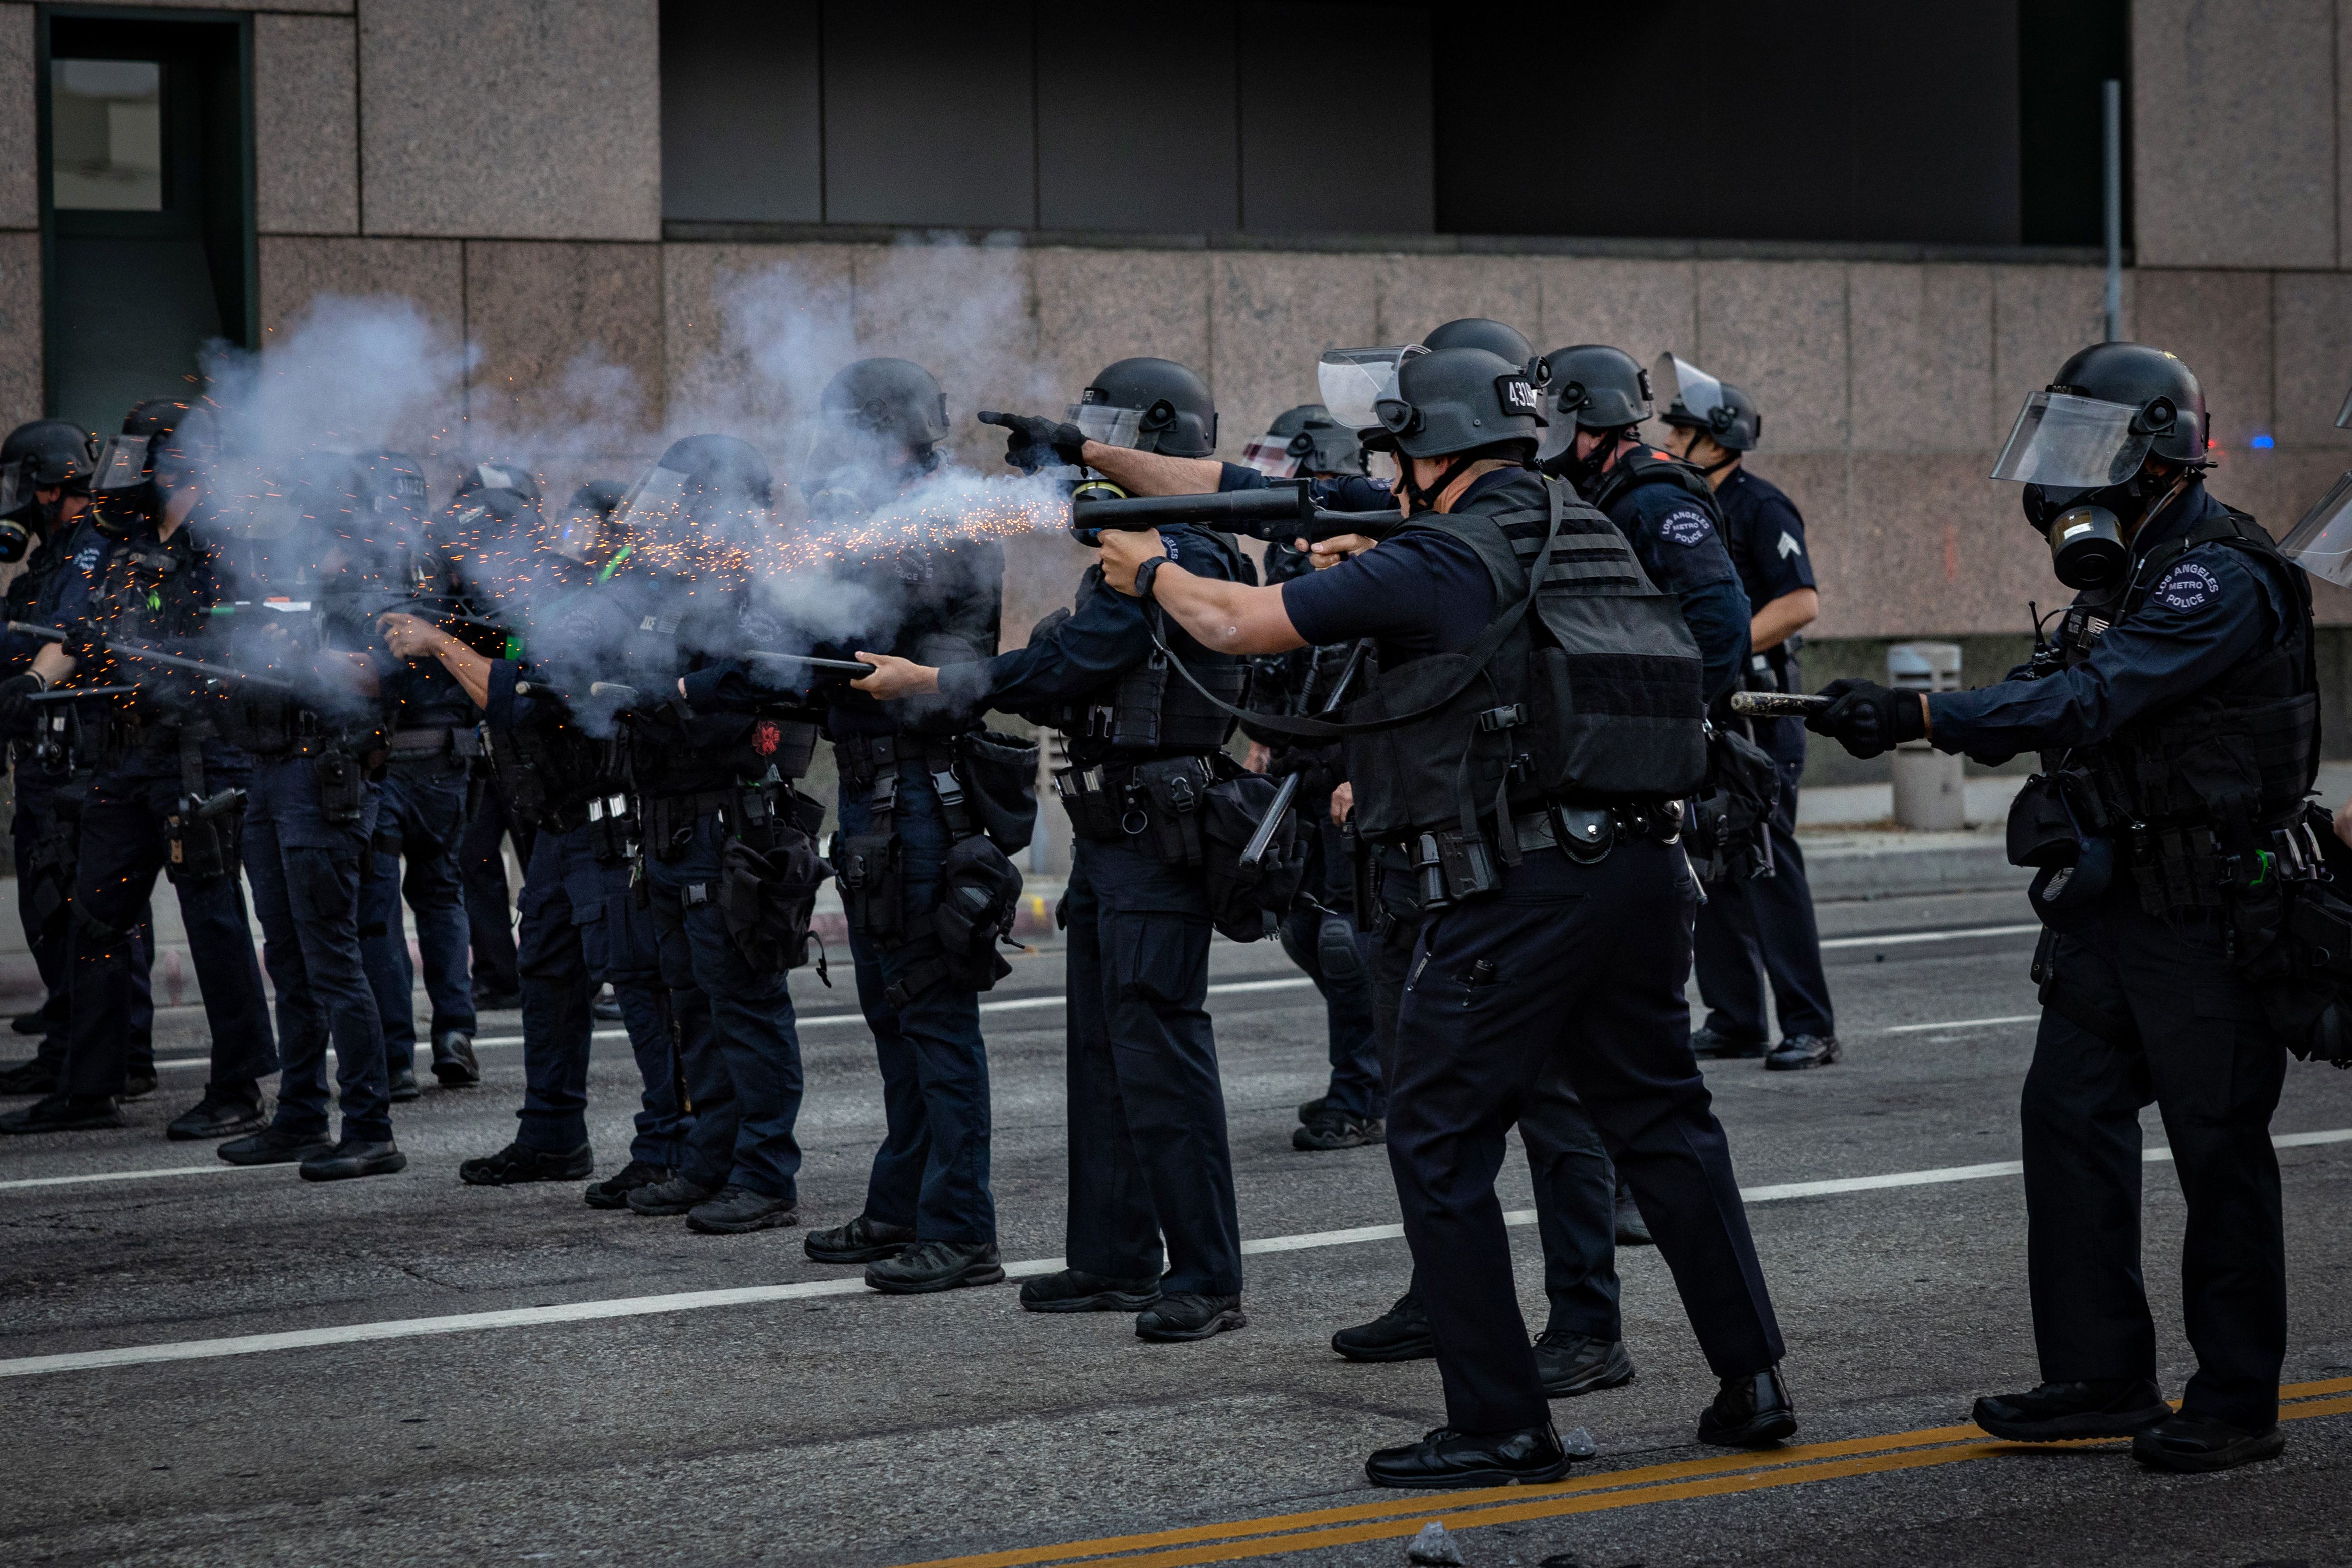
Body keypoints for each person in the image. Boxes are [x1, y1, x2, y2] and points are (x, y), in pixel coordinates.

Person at [1079, 345, 1796, 1485]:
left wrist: (1147, 573)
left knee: (1434, 1132)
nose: (1381, 470)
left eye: (1390, 451)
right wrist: (1105, 460)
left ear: (1426, 452)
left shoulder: (1442, 557)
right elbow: (1281, 499)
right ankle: (1753, 1380)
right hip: (1638, 870)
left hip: (1518, 887)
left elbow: (1231, 623)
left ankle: (1500, 1421)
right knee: (1664, 1125)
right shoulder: (1576, 522)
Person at [1809, 342, 2305, 1475]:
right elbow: (2058, 684)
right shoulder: (2129, 572)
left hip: (2206, 907)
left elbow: (2096, 693)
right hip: (2112, 898)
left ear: (2152, 456)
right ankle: (2098, 1373)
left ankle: (2235, 1397)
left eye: (2086, 450)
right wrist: (1907, 711)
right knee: (2066, 1114)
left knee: (2215, 1146)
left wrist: (1928, 717)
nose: (2061, 482)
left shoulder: (2211, 574)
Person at [853, 357, 1253, 1342]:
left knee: (1160, 1057)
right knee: (1105, 1057)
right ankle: (1115, 1257)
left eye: (1107, 430)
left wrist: (938, 682)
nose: (1089, 449)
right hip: (1113, 837)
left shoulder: (1179, 543)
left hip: (1160, 838)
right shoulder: (1135, 541)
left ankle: (1207, 1273)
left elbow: (1077, 657)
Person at [385, 472, 732, 1211]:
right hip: (558, 822)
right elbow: (513, 644)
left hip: (607, 816)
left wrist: (439, 641)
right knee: (545, 970)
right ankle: (551, 1132)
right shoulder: (554, 594)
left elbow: (515, 693)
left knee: (637, 979)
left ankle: (667, 1144)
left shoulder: (611, 595)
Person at [794, 357, 1024, 1294]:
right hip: (874, 794)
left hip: (921, 793)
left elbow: (892, 630)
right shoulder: (875, 514)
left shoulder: (937, 520)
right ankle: (901, 1202)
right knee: (892, 1013)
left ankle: (962, 1227)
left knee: (933, 1016)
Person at [0, 402, 279, 1143]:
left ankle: (239, 1087)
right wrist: (33, 683)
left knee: (213, 921)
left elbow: (255, 645)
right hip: (126, 759)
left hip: (199, 755)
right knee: (94, 917)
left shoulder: (228, 546)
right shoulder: (122, 540)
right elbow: (81, 634)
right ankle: (88, 1086)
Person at [1658, 370, 1840, 1071]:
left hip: (1756, 710)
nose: (1669, 441)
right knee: (1711, 860)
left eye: (1681, 432)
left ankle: (1809, 1023)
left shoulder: (1759, 506)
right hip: (1705, 706)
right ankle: (1734, 1017)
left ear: (1718, 440)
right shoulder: (1681, 502)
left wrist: (1718, 646)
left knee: (1767, 862)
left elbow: (1799, 603)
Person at [1237, 403, 1383, 1152]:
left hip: (1346, 767)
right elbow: (1278, 653)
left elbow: (1380, 671)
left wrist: (1363, 770)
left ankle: (1363, 1091)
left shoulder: (1363, 545)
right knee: (1299, 925)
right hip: (1298, 761)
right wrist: (1261, 735)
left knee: (1343, 936)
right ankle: (1374, 1067)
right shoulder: (1291, 547)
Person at [0, 418, 159, 1098]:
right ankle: (71, 1041)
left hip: (78, 750)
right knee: (53, 905)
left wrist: (32, 680)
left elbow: (71, 640)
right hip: (44, 752)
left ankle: (118, 1052)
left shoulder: (93, 545)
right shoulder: (51, 555)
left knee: (82, 904)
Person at [352, 452, 480, 1101]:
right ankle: (454, 1033)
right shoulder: (450, 555)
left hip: (389, 760)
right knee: (440, 894)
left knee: (378, 911)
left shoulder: (363, 557)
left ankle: (396, 1054)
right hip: (447, 761)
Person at [446, 465, 544, 1015]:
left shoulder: (537, 578)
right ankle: (497, 974)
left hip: (527, 743)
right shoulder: (457, 575)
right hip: (475, 746)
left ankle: (561, 966)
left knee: (541, 860)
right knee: (474, 859)